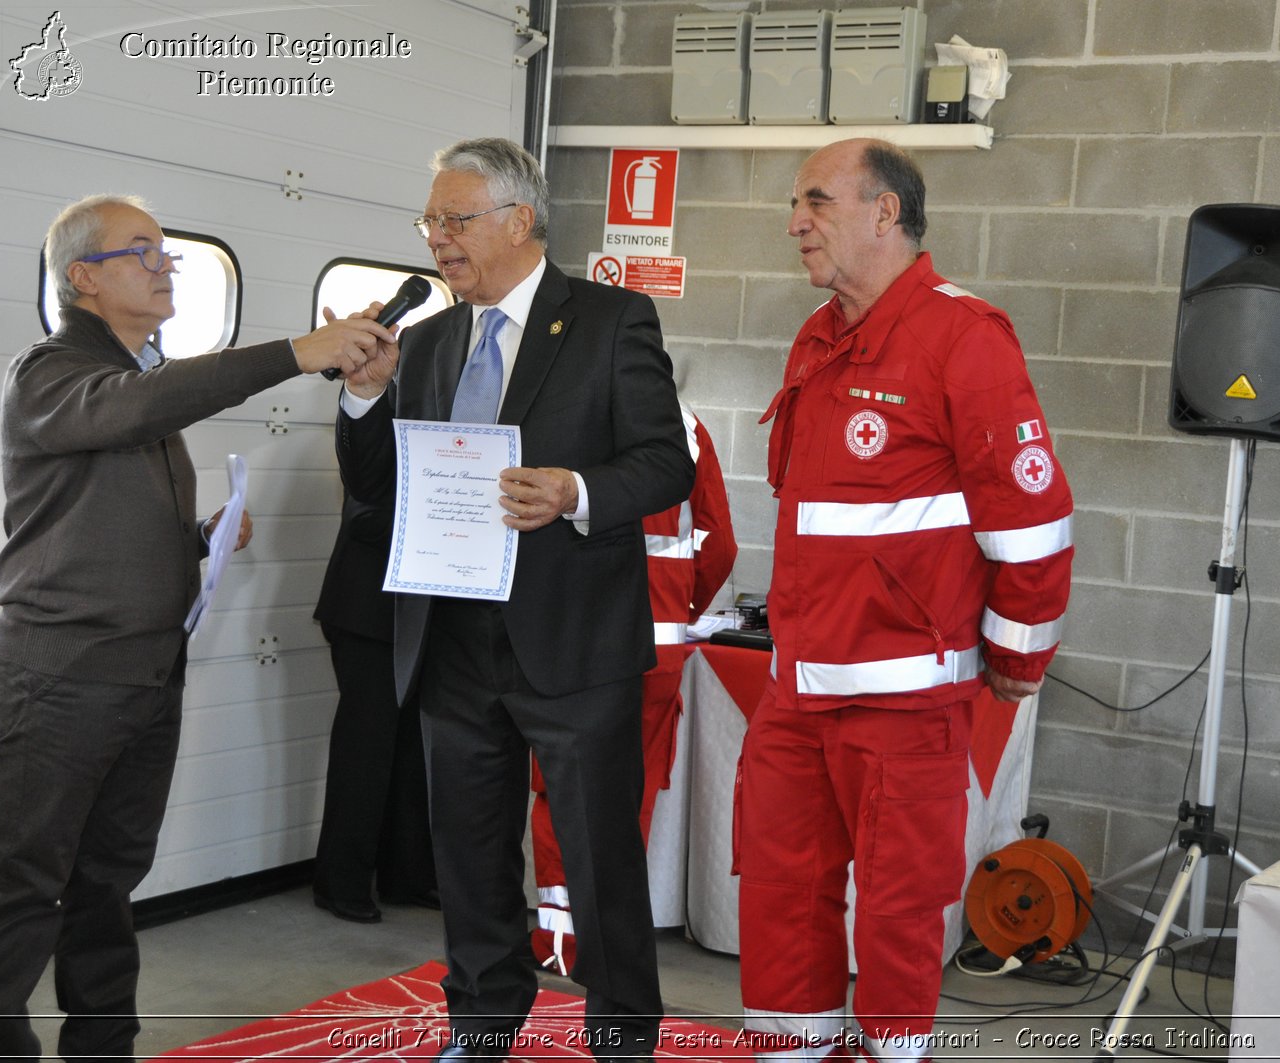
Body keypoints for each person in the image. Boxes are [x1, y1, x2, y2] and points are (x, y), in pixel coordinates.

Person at [0, 193, 390, 1061]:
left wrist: (202, 536)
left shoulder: (131, 377)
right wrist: (296, 351)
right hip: (64, 676)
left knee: (106, 883)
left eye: (168, 250)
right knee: (23, 883)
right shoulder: (52, 372)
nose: (165, 264)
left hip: (144, 675)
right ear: (82, 277)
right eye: (143, 251)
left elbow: (88, 515)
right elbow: (134, 409)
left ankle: (104, 1047)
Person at [334, 137, 693, 1063]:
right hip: (450, 635)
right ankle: (483, 1026)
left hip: (572, 642)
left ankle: (620, 1037)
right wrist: (367, 400)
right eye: (431, 224)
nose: (438, 242)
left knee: (597, 855)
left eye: (455, 222)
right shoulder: (434, 339)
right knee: (469, 850)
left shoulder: (612, 320)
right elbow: (380, 486)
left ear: (518, 220)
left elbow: (665, 463)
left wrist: (574, 490)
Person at [737, 139, 1075, 1061]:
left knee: (896, 910)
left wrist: (1013, 661)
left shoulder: (964, 338)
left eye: (816, 201)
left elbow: (1034, 524)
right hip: (798, 691)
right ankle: (793, 1048)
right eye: (796, 203)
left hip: (904, 702)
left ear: (885, 214)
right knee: (779, 887)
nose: (795, 221)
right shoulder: (819, 337)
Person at [530, 400, 737, 974]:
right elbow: (719, 542)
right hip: (657, 642)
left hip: (572, 640)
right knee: (631, 794)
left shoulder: (558, 400)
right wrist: (683, 608)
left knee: (560, 787)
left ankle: (559, 942)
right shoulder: (687, 422)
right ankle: (606, 941)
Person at [312, 492, 438, 923]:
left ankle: (406, 877)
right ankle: (340, 882)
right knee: (365, 749)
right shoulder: (374, 426)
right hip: (367, 609)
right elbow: (365, 514)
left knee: (413, 749)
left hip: (423, 611)